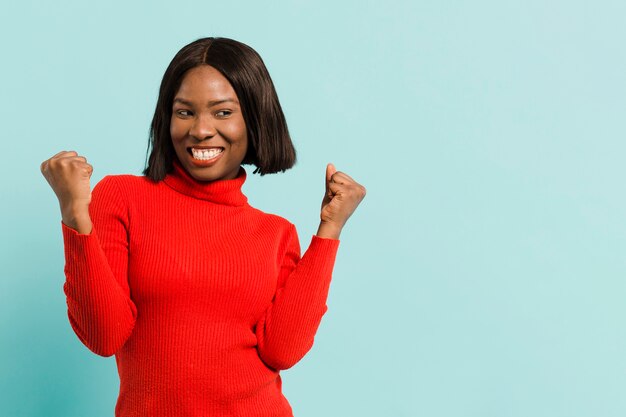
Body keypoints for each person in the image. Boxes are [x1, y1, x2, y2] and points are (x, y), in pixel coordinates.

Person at [40, 37, 366, 417]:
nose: (201, 130)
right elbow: (104, 335)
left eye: (222, 112)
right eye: (185, 112)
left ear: (254, 119)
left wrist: (330, 229)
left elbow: (283, 351)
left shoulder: (275, 234)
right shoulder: (122, 197)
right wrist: (75, 214)